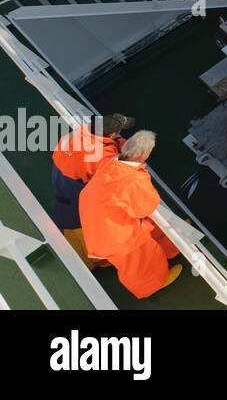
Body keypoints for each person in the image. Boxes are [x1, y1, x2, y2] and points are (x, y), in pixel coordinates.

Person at [79, 131, 183, 298]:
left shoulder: (109, 164)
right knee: (139, 263)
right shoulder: (133, 179)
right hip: (115, 236)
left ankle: (167, 246)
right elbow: (147, 206)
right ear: (144, 154)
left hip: (96, 222)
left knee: (139, 242)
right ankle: (152, 286)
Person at [50, 113, 132, 268]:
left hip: (61, 191)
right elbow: (117, 169)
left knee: (73, 244)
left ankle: (87, 264)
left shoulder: (75, 134)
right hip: (78, 204)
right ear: (113, 134)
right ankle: (98, 261)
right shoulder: (101, 154)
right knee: (91, 249)